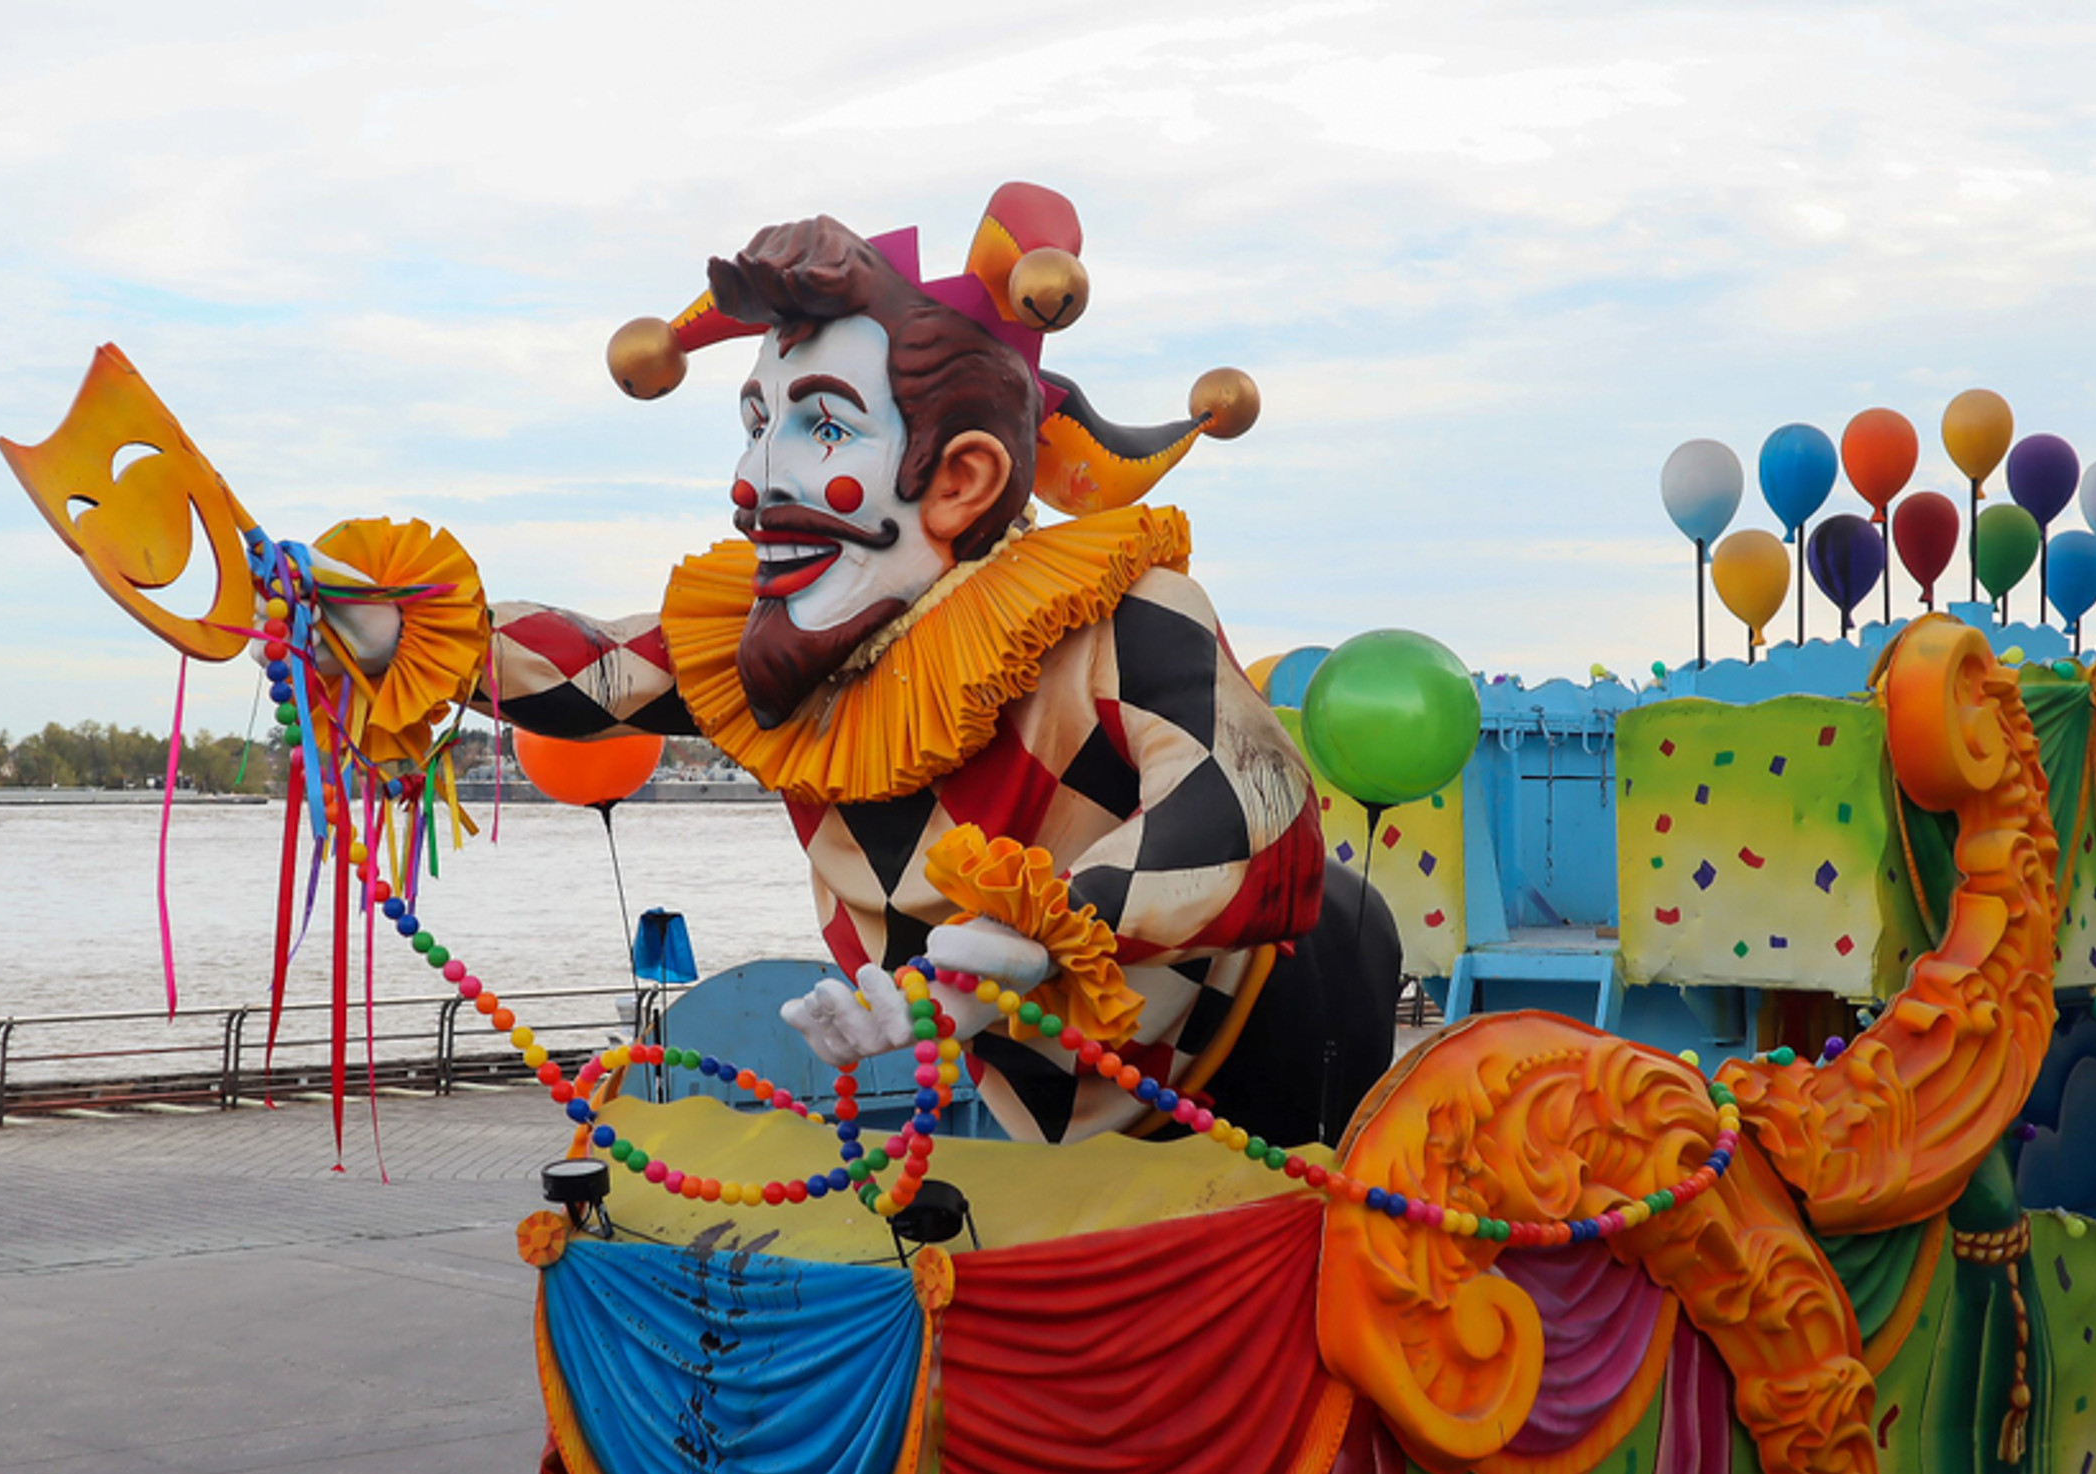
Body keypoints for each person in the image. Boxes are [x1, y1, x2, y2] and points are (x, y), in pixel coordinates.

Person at [466, 192, 1399, 1146]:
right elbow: (596, 672)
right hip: (1056, 1123)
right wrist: (398, 625)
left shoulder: (1116, 616)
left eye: (822, 429)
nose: (751, 482)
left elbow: (1258, 809)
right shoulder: (782, 657)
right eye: (756, 424)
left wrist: (1027, 932)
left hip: (1279, 1043)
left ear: (963, 479)